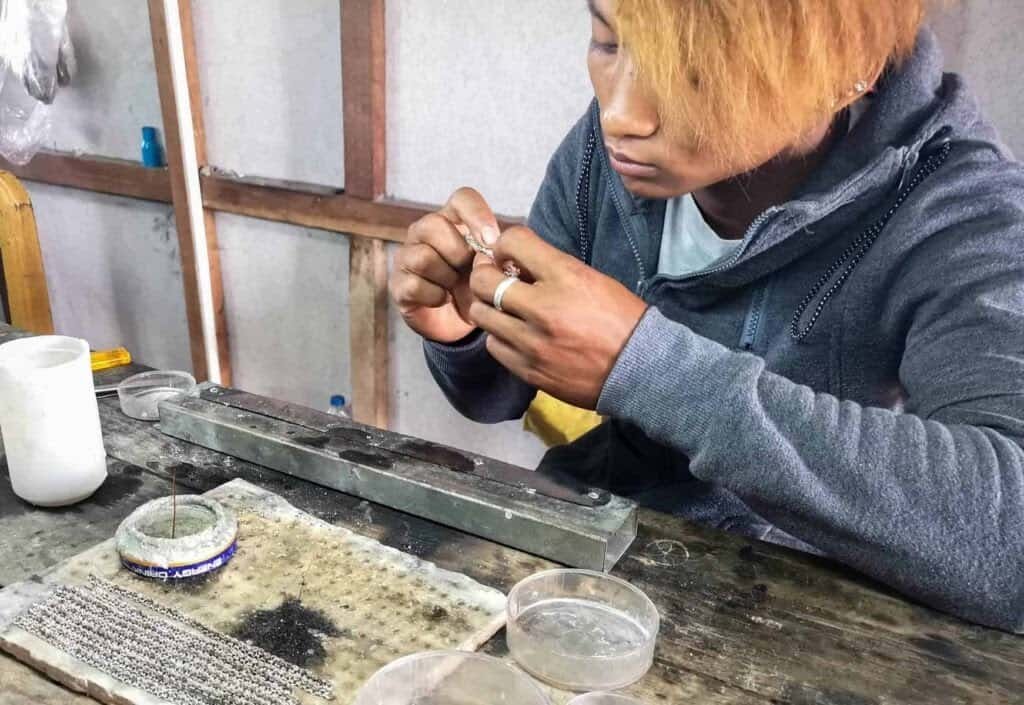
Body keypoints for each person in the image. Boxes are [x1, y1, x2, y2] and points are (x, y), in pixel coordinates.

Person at [388, 0, 1024, 633]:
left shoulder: (961, 209)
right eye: (609, 44)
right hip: (591, 551)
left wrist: (649, 370)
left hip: (796, 610)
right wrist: (469, 331)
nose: (622, 114)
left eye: (695, 72)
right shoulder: (602, 154)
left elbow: (1009, 543)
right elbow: (502, 395)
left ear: (848, 69)